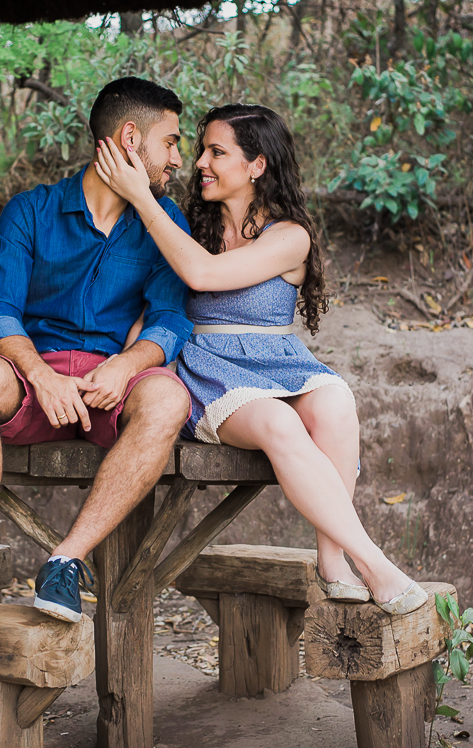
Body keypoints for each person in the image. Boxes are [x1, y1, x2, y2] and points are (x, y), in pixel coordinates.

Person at [93, 103, 427, 614]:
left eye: (216, 151)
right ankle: (377, 564)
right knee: (278, 422)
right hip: (208, 369)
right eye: (200, 148)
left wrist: (143, 198)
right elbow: (164, 292)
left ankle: (332, 560)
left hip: (280, 360)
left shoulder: (290, 235)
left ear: (257, 165)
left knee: (336, 402)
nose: (200, 161)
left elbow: (203, 275)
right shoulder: (185, 227)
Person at [0, 77, 194, 637]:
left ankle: (65, 561)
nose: (178, 159)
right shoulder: (31, 212)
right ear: (130, 136)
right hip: (32, 381)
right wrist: (39, 374)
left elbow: (169, 319)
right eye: (171, 142)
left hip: (110, 387)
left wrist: (125, 365)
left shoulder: (164, 220)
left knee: (167, 396)